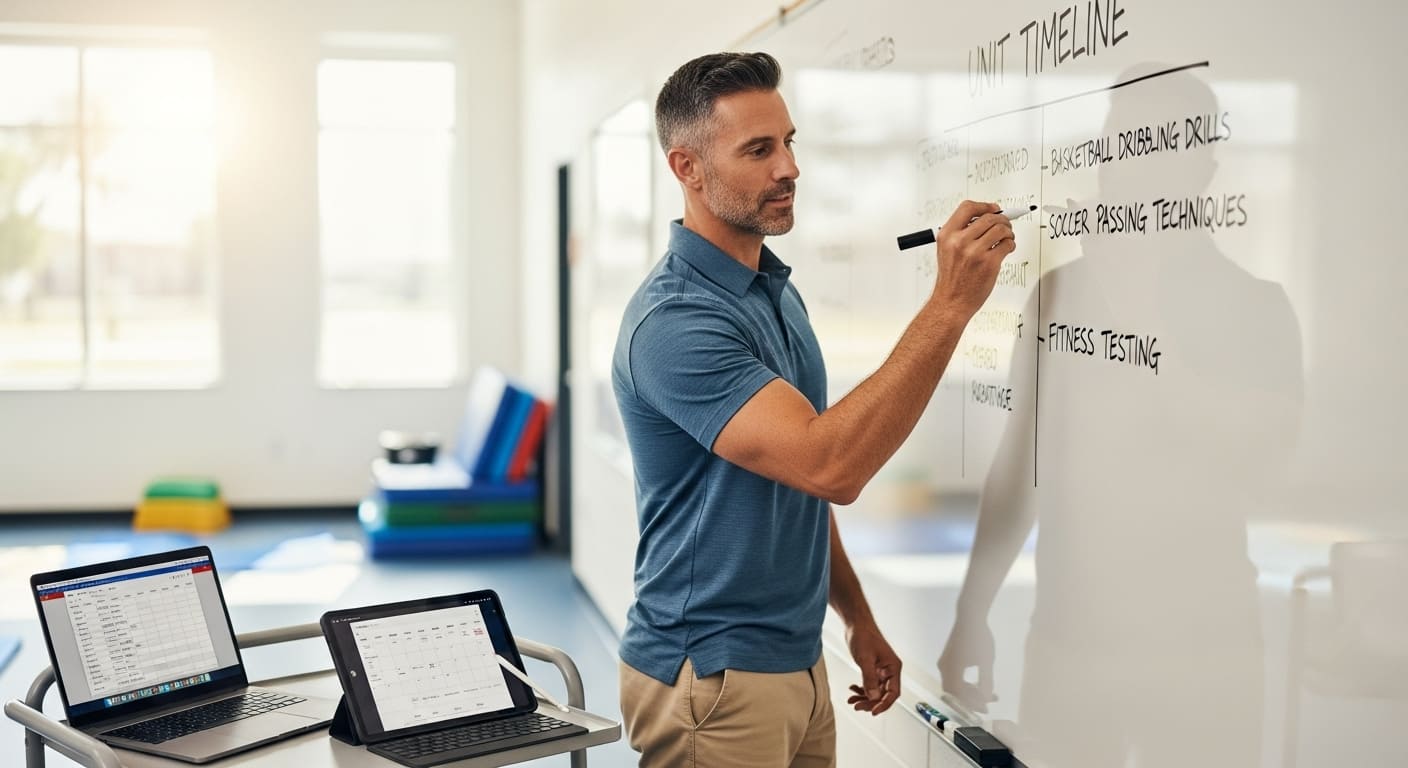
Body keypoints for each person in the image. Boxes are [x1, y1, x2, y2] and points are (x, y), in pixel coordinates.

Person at [612, 51, 1015, 767]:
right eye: (758, 150)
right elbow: (830, 465)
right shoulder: (676, 322)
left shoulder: (773, 291)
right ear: (687, 168)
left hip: (795, 659)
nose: (789, 168)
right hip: (714, 677)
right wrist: (951, 304)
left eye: (789, 142)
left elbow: (796, 481)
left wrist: (855, 617)